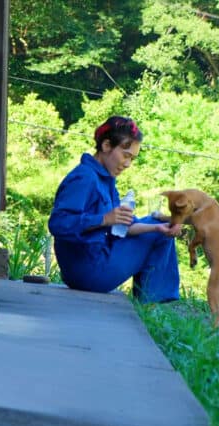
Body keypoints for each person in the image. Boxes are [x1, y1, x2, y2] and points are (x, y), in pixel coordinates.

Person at [48, 116, 182, 302]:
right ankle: (150, 303)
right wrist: (104, 219)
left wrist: (156, 229)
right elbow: (58, 223)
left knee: (158, 226)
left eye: (132, 159)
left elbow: (123, 226)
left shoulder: (106, 180)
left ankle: (149, 300)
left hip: (96, 263)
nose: (128, 164)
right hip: (88, 271)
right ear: (106, 145)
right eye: (126, 155)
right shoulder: (84, 178)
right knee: (158, 234)